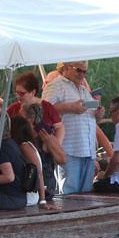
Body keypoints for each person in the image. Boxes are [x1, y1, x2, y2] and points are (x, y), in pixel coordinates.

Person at [42, 61, 103, 194]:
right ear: (66, 67)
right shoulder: (56, 85)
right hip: (69, 150)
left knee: (86, 195)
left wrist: (98, 115)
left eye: (84, 71)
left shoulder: (83, 89)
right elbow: (44, 111)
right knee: (69, 195)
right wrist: (68, 107)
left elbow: (89, 117)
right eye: (78, 70)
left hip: (88, 150)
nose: (82, 75)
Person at [19, 101, 67, 199]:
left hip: (45, 188)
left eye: (21, 118)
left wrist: (49, 143)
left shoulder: (45, 135)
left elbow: (62, 159)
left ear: (31, 120)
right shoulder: (22, 135)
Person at [10, 114, 58, 209]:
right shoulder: (23, 145)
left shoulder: (25, 146)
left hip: (29, 196)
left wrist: (43, 201)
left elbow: (39, 173)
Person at [7, 71, 64, 143]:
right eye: (16, 92)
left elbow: (59, 127)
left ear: (33, 92)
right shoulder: (13, 108)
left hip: (44, 150)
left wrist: (55, 145)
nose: (18, 96)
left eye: (22, 93)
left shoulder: (47, 106)